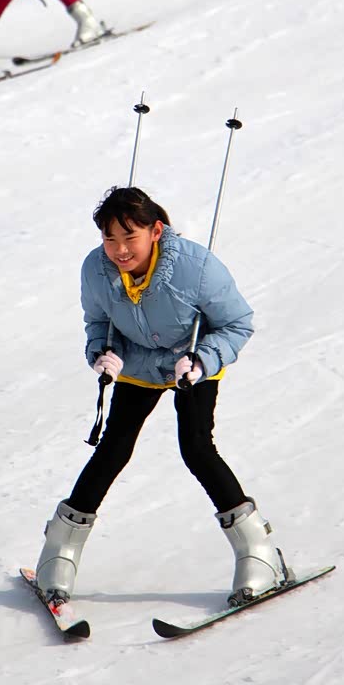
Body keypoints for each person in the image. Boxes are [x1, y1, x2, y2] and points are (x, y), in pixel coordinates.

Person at [33, 186, 289, 607]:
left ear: (155, 231)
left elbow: (237, 323)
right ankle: (59, 550)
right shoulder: (95, 269)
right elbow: (96, 320)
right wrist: (103, 353)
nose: (119, 249)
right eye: (110, 238)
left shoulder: (196, 267)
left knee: (197, 448)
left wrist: (202, 361)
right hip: (137, 363)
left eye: (129, 237)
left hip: (191, 362)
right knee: (113, 449)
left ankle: (258, 551)